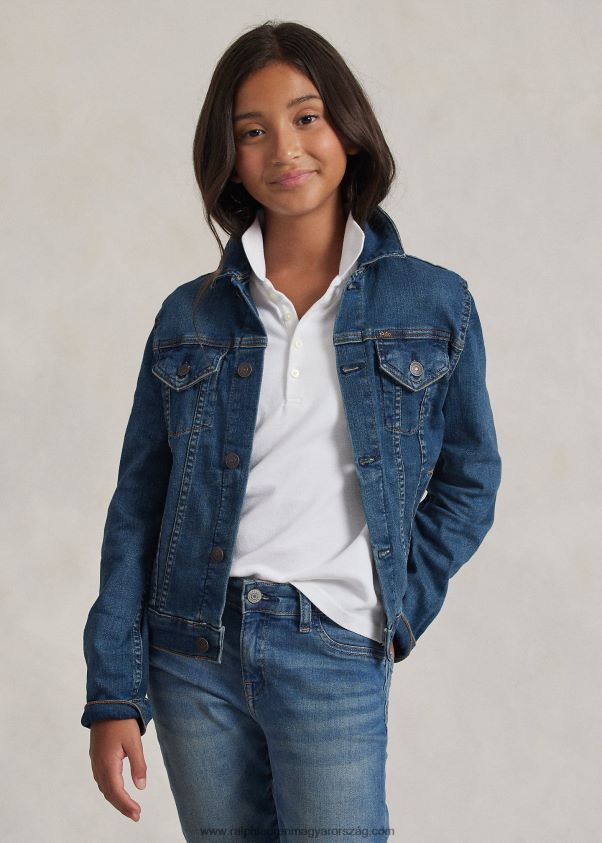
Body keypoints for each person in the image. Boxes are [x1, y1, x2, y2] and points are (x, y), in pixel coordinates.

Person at [82, 19, 502, 840]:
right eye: (252, 131)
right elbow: (137, 509)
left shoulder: (433, 303)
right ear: (230, 157)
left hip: (334, 645)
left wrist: (394, 602)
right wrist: (113, 690)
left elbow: (471, 478)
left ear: (348, 128)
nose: (284, 148)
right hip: (191, 652)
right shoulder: (190, 315)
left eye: (306, 117)